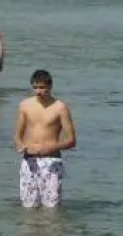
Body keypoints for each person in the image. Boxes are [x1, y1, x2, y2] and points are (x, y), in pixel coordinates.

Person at [12, 69, 77, 209]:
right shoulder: (25, 105)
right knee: (28, 207)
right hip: (29, 161)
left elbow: (71, 140)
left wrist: (49, 147)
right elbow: (17, 135)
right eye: (35, 87)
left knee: (52, 208)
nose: (38, 91)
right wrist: (20, 146)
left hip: (51, 161)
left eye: (42, 87)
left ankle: (51, 231)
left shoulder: (60, 107)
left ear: (50, 86)